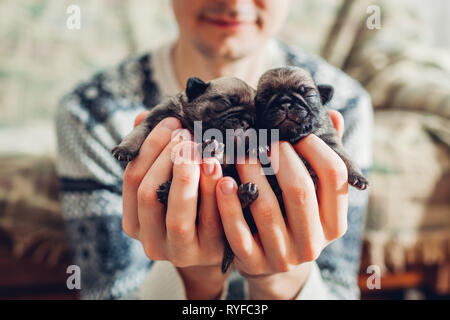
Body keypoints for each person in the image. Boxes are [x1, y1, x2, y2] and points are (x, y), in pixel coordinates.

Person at [56, 0, 372, 300]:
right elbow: (107, 291)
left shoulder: (346, 102)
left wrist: (283, 281)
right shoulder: (91, 113)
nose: (234, 3)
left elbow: (341, 287)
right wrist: (192, 282)